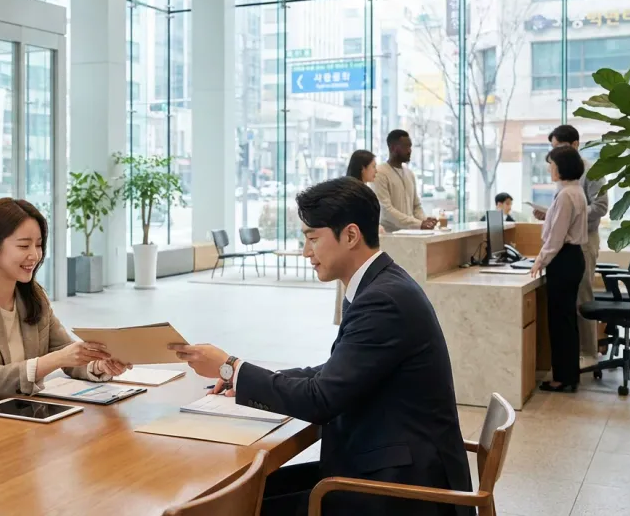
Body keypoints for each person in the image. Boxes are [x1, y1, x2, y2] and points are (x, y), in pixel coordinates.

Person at [171, 177, 472, 516]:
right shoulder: (381, 284)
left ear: (351, 235)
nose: (305, 252)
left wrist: (231, 367)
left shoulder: (382, 300)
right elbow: (335, 373)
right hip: (383, 461)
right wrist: (242, 379)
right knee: (245, 492)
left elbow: (321, 399)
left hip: (402, 488)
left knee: (237, 505)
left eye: (313, 238)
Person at [0, 198, 131, 402]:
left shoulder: (33, 297)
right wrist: (56, 359)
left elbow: (65, 351)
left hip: (19, 409)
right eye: (23, 246)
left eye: (38, 245)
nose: (35, 255)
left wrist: (97, 365)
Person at [533, 125, 608, 362]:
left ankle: (588, 352)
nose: (555, 153)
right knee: (567, 307)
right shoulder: (565, 177)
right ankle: (573, 357)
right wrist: (552, 215)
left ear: (575, 145)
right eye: (553, 147)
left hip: (583, 239)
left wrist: (572, 217)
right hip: (568, 240)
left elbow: (601, 207)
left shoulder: (590, 171)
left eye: (560, 147)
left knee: (582, 298)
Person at [529, 146, 588, 393]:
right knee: (566, 320)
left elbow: (556, 238)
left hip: (563, 260)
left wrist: (540, 260)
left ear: (562, 167)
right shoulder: (575, 190)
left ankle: (562, 378)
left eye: (551, 164)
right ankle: (569, 375)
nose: (549, 169)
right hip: (572, 258)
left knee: (560, 321)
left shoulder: (565, 195)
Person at [334, 150, 383, 325]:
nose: (376, 171)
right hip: (352, 252)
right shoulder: (351, 191)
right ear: (363, 168)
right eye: (373, 167)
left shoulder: (362, 190)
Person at [374, 129, 437, 232]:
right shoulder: (380, 173)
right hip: (389, 235)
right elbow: (386, 210)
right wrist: (419, 224)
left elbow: (416, 206)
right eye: (405, 147)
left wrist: (425, 221)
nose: (409, 151)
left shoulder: (409, 173)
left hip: (411, 234)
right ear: (393, 148)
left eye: (410, 146)